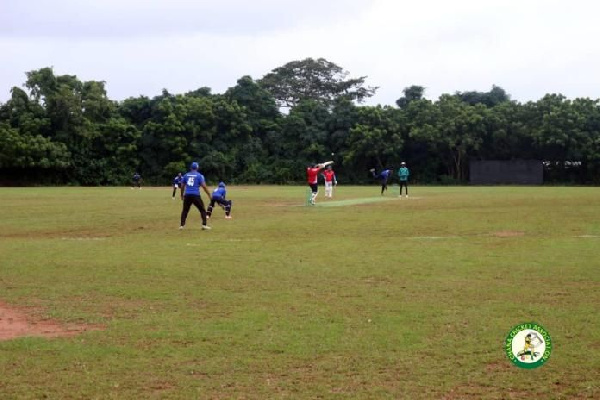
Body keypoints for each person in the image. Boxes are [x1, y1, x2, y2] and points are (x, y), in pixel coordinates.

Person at [180, 162, 212, 231]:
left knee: (185, 210)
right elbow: (204, 186)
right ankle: (204, 225)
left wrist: (182, 195)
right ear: (197, 168)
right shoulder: (199, 176)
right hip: (195, 195)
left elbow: (182, 186)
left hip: (187, 195)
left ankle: (182, 226)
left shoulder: (186, 175)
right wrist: (209, 195)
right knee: (202, 209)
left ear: (191, 168)